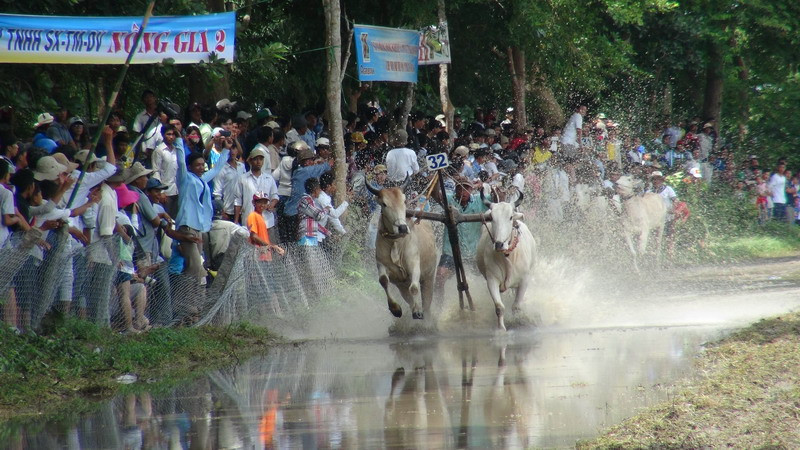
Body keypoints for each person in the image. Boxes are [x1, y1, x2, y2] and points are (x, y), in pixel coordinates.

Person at [174, 136, 230, 280]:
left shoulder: (202, 180)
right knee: (195, 267)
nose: (201, 167)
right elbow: (181, 162)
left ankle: (191, 291)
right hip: (187, 226)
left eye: (203, 165)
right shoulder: (185, 178)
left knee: (196, 264)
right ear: (190, 167)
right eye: (197, 165)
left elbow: (216, 169)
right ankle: (187, 292)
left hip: (198, 227)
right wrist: (179, 140)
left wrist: (226, 150)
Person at [433, 179, 488, 297]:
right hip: (451, 251)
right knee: (440, 276)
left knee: (489, 276)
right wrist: (437, 178)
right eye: (459, 188)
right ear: (455, 190)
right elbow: (435, 194)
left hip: (474, 252)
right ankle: (438, 305)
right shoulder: (449, 199)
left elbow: (498, 200)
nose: (462, 191)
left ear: (471, 190)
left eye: (466, 188)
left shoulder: (480, 200)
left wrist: (493, 190)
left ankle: (488, 299)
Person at [283, 147, 331, 242]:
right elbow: (324, 167)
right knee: (295, 242)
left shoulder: (299, 171)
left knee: (291, 242)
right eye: (312, 160)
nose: (313, 162)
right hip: (294, 213)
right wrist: (327, 164)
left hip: (291, 212)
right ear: (307, 162)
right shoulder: (305, 171)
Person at [233, 146, 279, 242]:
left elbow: (275, 195)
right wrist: (236, 221)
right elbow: (238, 200)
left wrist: (272, 204)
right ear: (250, 161)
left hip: (267, 221)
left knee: (269, 247)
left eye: (261, 159)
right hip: (249, 220)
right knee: (251, 247)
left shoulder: (269, 178)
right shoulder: (243, 179)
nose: (258, 162)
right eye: (256, 159)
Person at [247, 191, 285, 261]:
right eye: (259, 202)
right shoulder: (252, 216)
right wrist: (271, 246)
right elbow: (253, 236)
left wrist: (274, 246)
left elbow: (263, 239)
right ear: (254, 203)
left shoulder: (260, 217)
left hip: (264, 255)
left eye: (264, 203)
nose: (262, 205)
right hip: (257, 256)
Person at [297, 177, 329, 246]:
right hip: (306, 235)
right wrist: (326, 209)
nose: (320, 191)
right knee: (306, 253)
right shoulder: (306, 200)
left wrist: (327, 232)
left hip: (311, 235)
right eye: (319, 189)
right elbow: (319, 216)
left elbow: (314, 221)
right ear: (315, 190)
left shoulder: (311, 201)